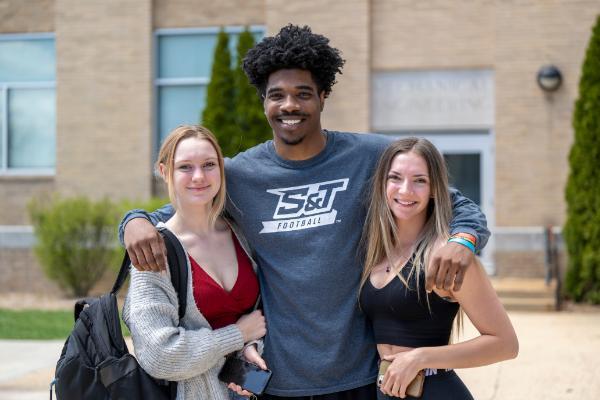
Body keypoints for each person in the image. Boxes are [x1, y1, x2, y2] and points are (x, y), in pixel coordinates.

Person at [120, 25, 490, 399]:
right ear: (264, 102)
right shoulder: (239, 175)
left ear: (323, 97)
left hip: (358, 378)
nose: (290, 106)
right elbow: (181, 208)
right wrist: (133, 220)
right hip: (274, 381)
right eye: (276, 95)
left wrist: (463, 240)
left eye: (303, 94)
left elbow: (450, 201)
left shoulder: (370, 158)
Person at [359, 138, 518, 399]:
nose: (406, 190)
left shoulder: (448, 256)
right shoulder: (375, 252)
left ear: (435, 188)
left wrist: (420, 357)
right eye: (395, 178)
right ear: (382, 184)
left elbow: (505, 344)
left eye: (419, 180)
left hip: (435, 389)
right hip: (384, 390)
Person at [122, 125, 267, 400]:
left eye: (209, 165)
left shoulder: (241, 235)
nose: (199, 176)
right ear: (165, 172)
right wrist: (236, 335)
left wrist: (249, 346)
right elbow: (159, 354)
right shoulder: (155, 252)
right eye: (185, 167)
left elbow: (257, 318)